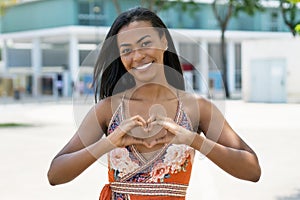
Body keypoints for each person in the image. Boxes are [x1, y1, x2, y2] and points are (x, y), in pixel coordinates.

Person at [47, 7, 261, 200]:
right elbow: (55, 174)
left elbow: (252, 171)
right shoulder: (107, 110)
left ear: (164, 41)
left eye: (145, 43)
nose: (138, 55)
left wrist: (193, 140)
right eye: (126, 50)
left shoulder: (198, 109)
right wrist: (109, 142)